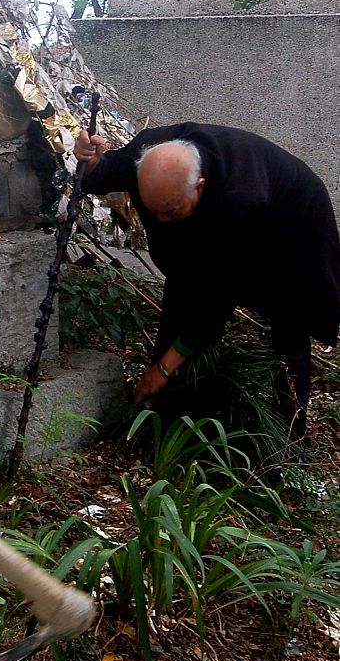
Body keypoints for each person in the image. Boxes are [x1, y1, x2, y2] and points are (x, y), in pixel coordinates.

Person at [74, 122, 340, 439]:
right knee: (183, 285)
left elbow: (215, 300)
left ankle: (289, 437)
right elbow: (101, 173)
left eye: (171, 211)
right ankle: (168, 411)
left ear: (199, 186)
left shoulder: (239, 199)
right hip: (228, 224)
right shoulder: (147, 155)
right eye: (153, 210)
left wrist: (164, 367)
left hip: (294, 227)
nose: (160, 221)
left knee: (290, 319)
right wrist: (89, 161)